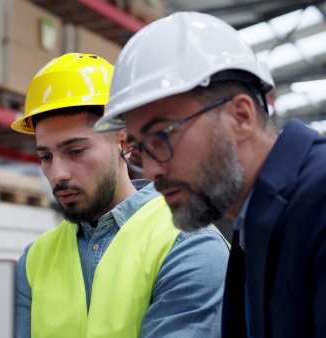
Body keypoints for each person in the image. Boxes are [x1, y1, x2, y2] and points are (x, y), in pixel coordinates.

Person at [94, 11, 326, 338]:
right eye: (140, 147)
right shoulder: (253, 227)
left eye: (162, 136)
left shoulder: (319, 201)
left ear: (241, 117)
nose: (150, 171)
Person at [11, 53, 230, 337]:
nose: (57, 174)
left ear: (123, 141)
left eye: (75, 151)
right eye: (46, 156)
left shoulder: (190, 245)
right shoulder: (35, 259)